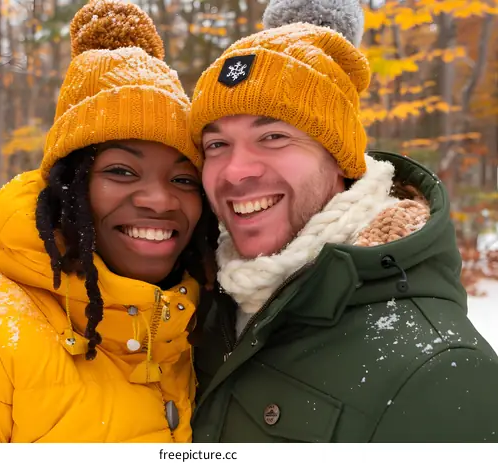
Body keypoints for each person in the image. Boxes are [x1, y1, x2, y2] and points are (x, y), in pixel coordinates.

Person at [0, 0, 217, 443]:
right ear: (69, 186)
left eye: (183, 177)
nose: (160, 200)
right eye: (121, 171)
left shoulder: (200, 329)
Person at [189, 0, 498, 443]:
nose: (236, 171)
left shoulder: (438, 369)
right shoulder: (203, 305)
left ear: (340, 160)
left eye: (273, 136)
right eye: (216, 144)